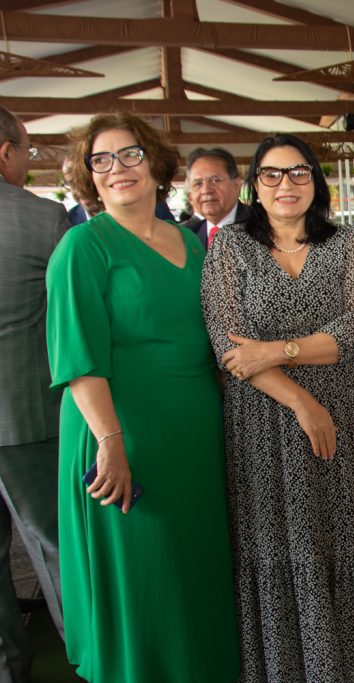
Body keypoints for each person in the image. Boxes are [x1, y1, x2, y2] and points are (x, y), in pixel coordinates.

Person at [46, 112, 239, 682]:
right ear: (89, 178)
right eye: (100, 160)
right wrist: (110, 442)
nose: (117, 169)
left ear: (155, 163)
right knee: (146, 571)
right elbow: (79, 361)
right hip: (121, 431)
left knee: (194, 564)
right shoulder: (82, 247)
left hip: (194, 433)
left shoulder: (188, 241)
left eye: (129, 154)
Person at [201, 133, 354, 682]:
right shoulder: (230, 247)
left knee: (339, 538)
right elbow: (228, 347)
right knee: (275, 544)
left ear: (317, 180)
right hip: (263, 426)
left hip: (338, 420)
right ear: (254, 186)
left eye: (299, 172)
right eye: (273, 175)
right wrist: (303, 400)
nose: (287, 185)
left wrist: (274, 352)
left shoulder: (344, 243)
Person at [0, 105, 68, 682]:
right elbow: (72, 324)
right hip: (26, 417)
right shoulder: (45, 220)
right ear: (5, 152)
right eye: (25, 150)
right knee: (56, 549)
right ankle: (89, 660)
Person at [184, 147, 250, 249]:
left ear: (236, 185)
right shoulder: (185, 235)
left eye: (215, 180)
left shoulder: (263, 226)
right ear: (190, 195)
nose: (206, 190)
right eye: (198, 183)